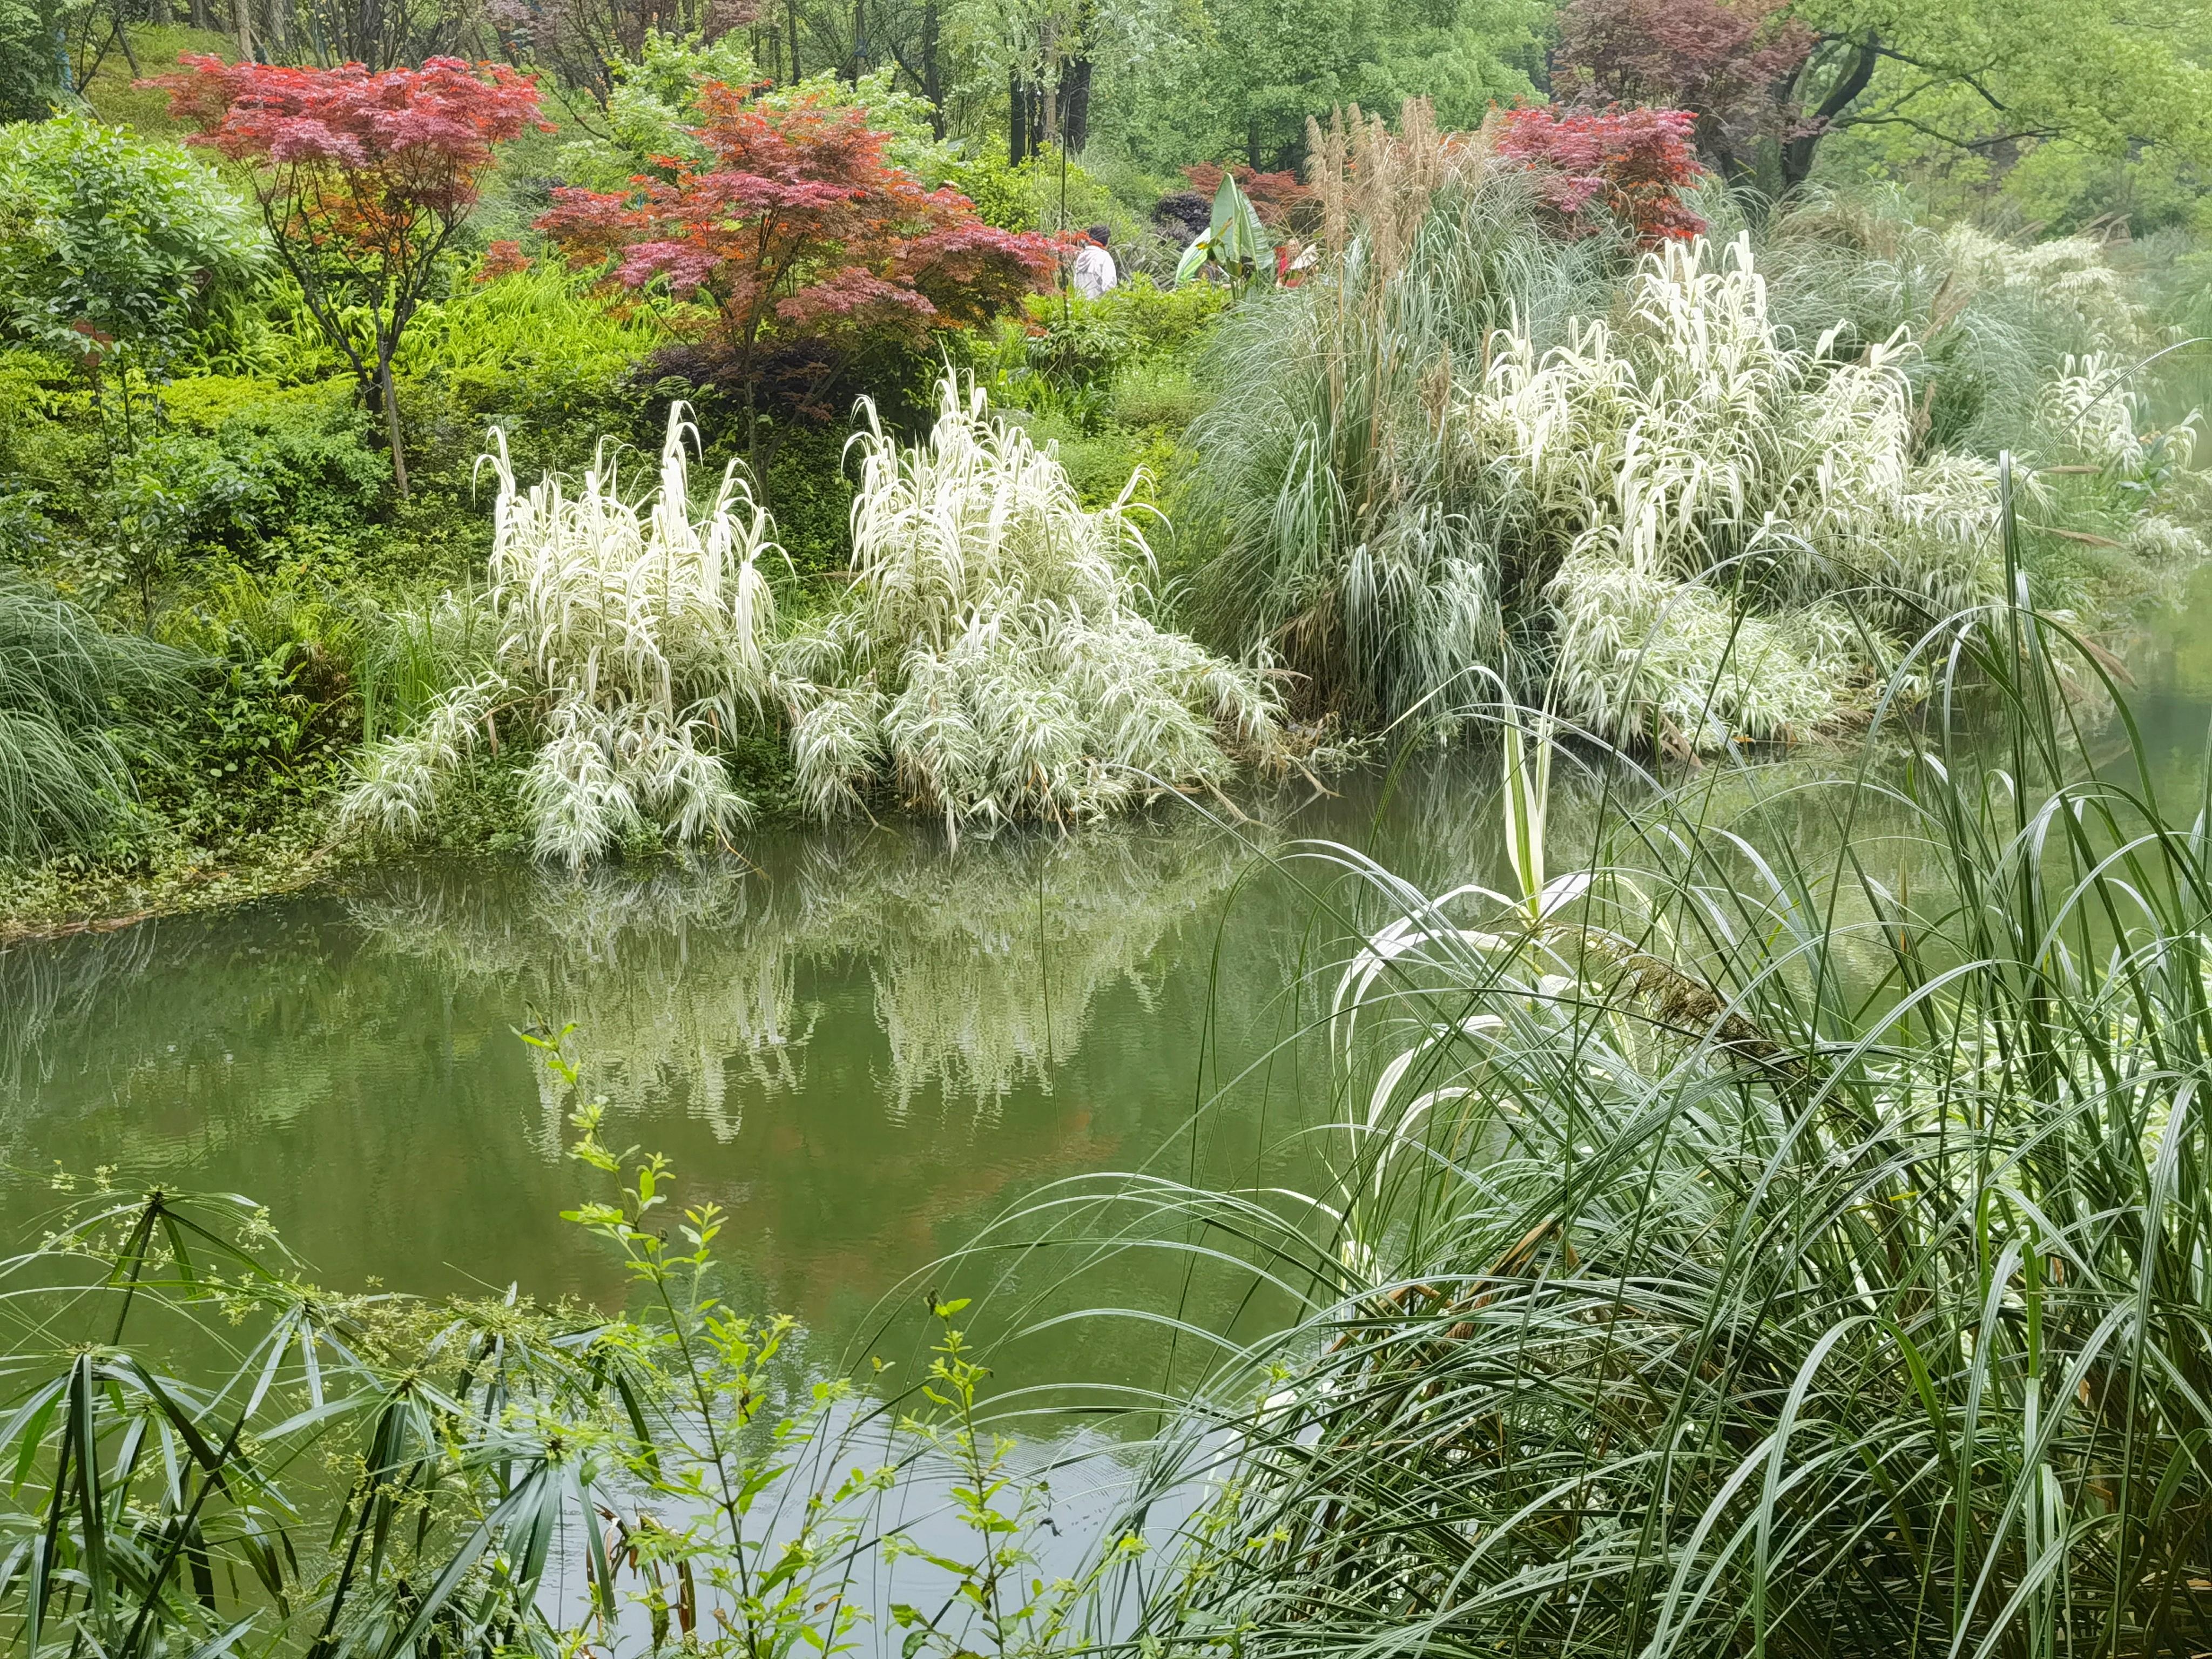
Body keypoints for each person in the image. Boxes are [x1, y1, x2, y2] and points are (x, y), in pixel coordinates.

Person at [1072, 224, 1117, 300]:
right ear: (1107, 241)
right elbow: (1110, 286)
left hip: (1079, 307)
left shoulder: (1082, 256)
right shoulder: (1104, 257)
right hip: (1098, 309)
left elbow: (1076, 284)